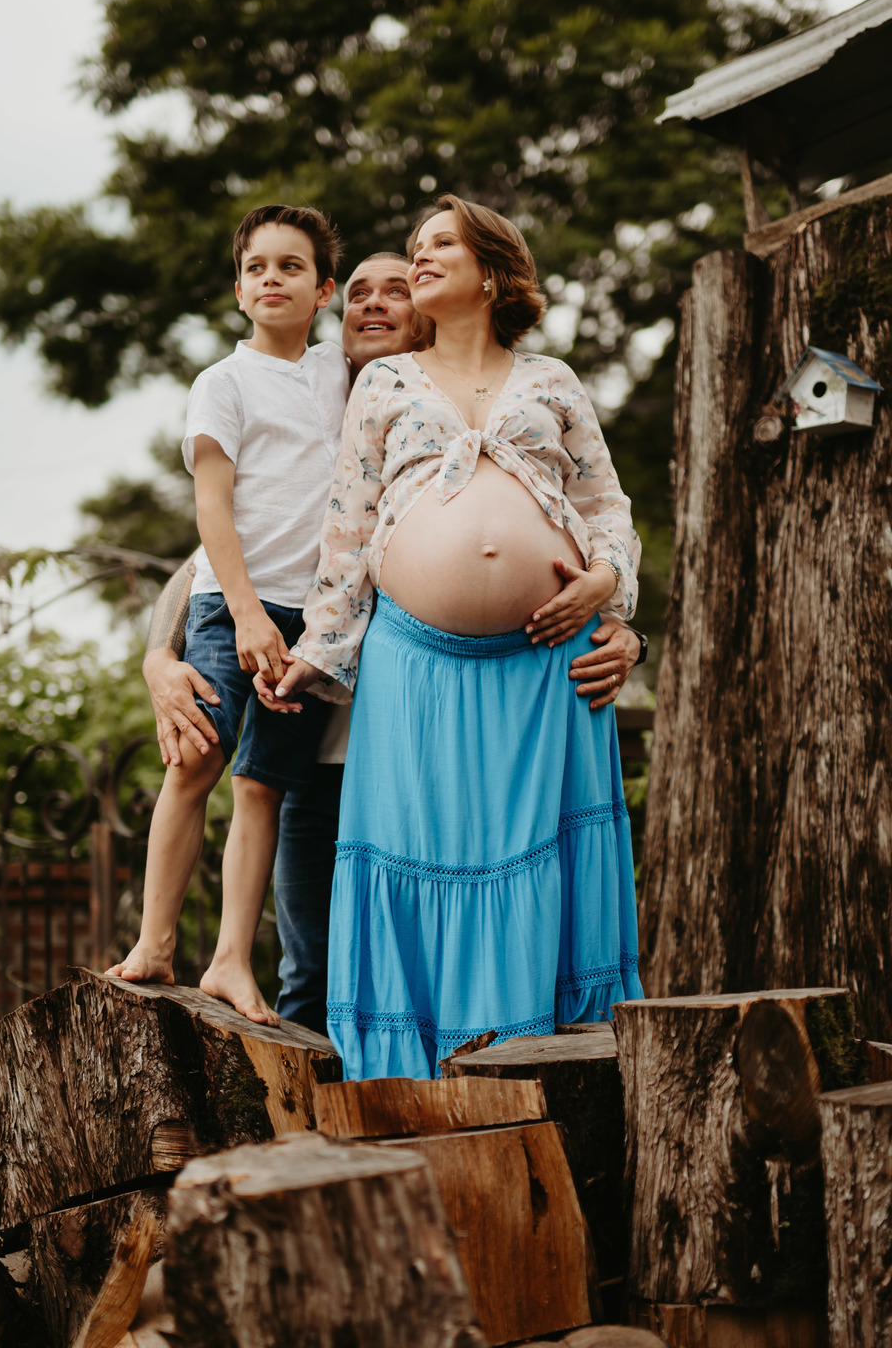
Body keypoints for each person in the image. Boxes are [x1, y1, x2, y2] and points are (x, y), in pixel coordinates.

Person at [141, 250, 645, 1033]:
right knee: (317, 966)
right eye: (361, 293)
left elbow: (584, 511)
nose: (375, 304)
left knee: (469, 928)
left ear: (427, 314)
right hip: (322, 741)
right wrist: (159, 653)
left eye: (398, 289)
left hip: (448, 721)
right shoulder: (321, 402)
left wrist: (624, 630)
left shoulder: (455, 398)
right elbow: (209, 557)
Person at [260, 194, 644, 1078]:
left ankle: (554, 1080)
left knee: (547, 856)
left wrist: (606, 587)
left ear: (494, 271)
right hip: (413, 668)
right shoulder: (386, 384)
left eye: (441, 244)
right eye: (415, 246)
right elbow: (349, 526)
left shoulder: (552, 379)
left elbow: (606, 507)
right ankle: (411, 1089)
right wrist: (318, 652)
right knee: (412, 855)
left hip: (547, 669)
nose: (419, 258)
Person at [107, 203, 345, 1023]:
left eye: (291, 266)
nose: (272, 278)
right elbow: (211, 508)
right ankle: (154, 943)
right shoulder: (223, 383)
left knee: (262, 786)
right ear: (239, 290)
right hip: (232, 604)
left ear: (324, 290)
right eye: (256, 268)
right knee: (195, 760)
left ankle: (232, 961)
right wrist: (245, 615)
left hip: (314, 626)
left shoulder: (340, 372)